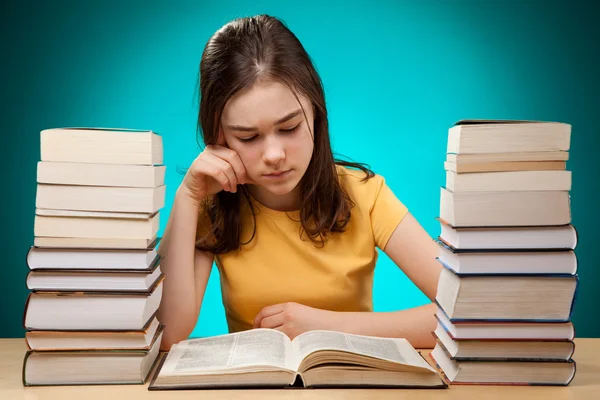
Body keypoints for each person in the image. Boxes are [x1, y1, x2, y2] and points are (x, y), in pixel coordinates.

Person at [156, 14, 442, 351]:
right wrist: (187, 196)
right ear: (219, 137)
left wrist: (325, 327)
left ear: (316, 113)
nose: (274, 154)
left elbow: (464, 315)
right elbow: (167, 333)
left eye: (289, 128)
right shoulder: (212, 204)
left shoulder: (365, 194)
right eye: (248, 137)